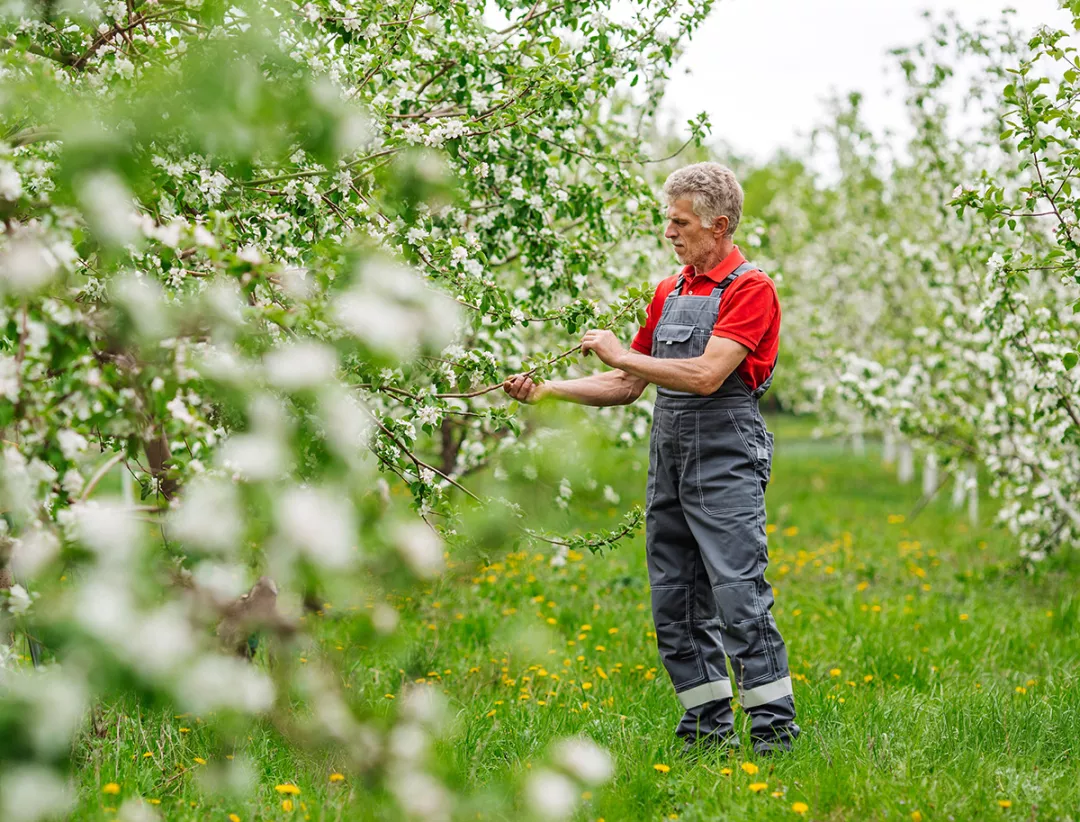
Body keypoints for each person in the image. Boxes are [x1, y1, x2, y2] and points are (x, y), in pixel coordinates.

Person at [502, 162, 798, 756]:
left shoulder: (750, 290)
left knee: (739, 596)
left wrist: (621, 354)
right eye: (669, 221)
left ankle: (774, 737)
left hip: (725, 458)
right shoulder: (670, 291)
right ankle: (706, 733)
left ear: (718, 226)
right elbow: (627, 384)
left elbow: (708, 375)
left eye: (680, 222)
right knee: (675, 602)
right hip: (670, 461)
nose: (670, 232)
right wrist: (551, 389)